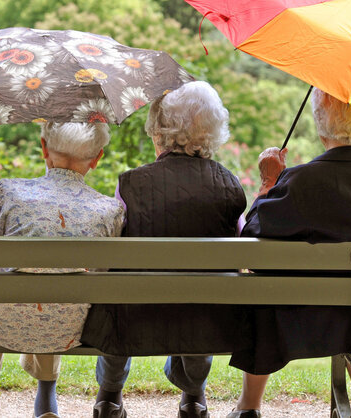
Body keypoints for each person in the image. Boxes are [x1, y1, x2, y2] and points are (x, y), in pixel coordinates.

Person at [226, 88, 351, 418]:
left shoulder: (297, 182)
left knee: (263, 285)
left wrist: (268, 183)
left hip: (298, 316)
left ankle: (249, 406)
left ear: (321, 126)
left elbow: (253, 242)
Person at [83, 81, 247, 418]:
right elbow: (244, 251)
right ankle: (193, 398)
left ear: (161, 129)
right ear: (214, 130)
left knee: (116, 293)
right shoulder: (230, 187)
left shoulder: (130, 183)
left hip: (136, 316)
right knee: (202, 297)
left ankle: (109, 396)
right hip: (205, 320)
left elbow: (110, 249)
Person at [0, 122, 125, 418]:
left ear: (44, 149)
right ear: (97, 157)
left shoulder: (9, 190)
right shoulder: (109, 209)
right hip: (71, 327)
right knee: (61, 296)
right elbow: (101, 275)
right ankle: (47, 401)